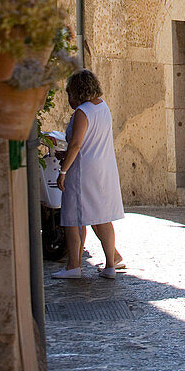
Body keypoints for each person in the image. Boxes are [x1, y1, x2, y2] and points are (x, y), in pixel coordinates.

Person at [53, 68, 125, 280]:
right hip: (103, 168)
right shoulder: (102, 107)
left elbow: (76, 144)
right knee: (101, 216)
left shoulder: (82, 112)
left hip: (82, 171)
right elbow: (90, 142)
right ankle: (111, 264)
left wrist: (63, 170)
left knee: (73, 218)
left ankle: (73, 266)